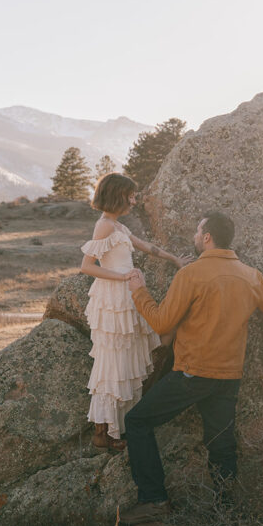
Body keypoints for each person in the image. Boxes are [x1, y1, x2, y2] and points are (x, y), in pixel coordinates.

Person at [120, 210, 263, 524]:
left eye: (198, 232)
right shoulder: (251, 275)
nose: (195, 237)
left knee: (137, 422)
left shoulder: (192, 274)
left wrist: (139, 292)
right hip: (228, 377)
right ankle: (226, 517)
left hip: (192, 374)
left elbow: (161, 322)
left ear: (208, 237)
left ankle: (154, 500)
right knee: (221, 446)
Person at [80, 173, 192, 452]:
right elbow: (87, 267)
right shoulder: (104, 226)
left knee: (127, 358)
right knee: (113, 361)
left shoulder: (119, 226)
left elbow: (147, 247)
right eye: (130, 195)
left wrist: (175, 259)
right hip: (113, 298)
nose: (134, 200)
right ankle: (105, 431)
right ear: (117, 195)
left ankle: (119, 427)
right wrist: (122, 277)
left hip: (127, 294)